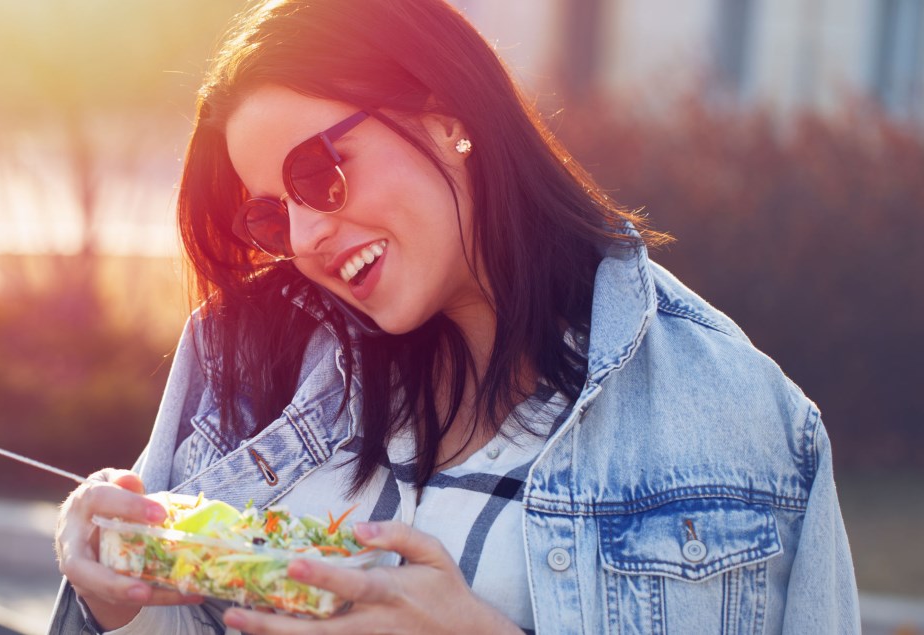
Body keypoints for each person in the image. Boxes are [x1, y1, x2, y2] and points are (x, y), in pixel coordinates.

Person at [49, 0, 860, 633]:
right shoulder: (239, 354)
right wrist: (113, 600)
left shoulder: (747, 424)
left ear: (445, 115)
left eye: (318, 173)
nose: (304, 238)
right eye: (269, 217)